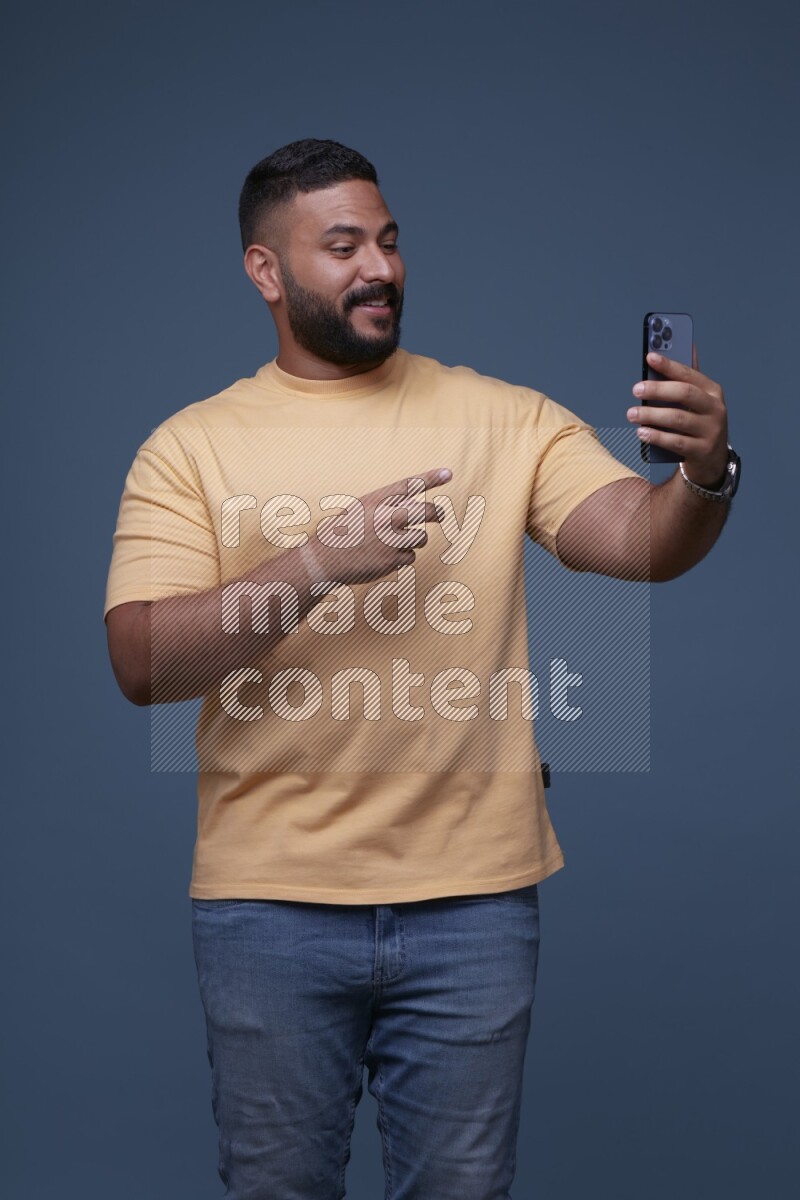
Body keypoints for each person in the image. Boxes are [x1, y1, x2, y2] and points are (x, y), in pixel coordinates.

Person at [104, 139, 740, 1199]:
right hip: (268, 907)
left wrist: (705, 472)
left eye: (389, 242)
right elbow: (143, 659)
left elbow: (638, 542)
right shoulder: (190, 448)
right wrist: (315, 564)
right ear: (265, 271)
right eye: (342, 245)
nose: (379, 269)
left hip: (474, 909)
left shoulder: (504, 416)